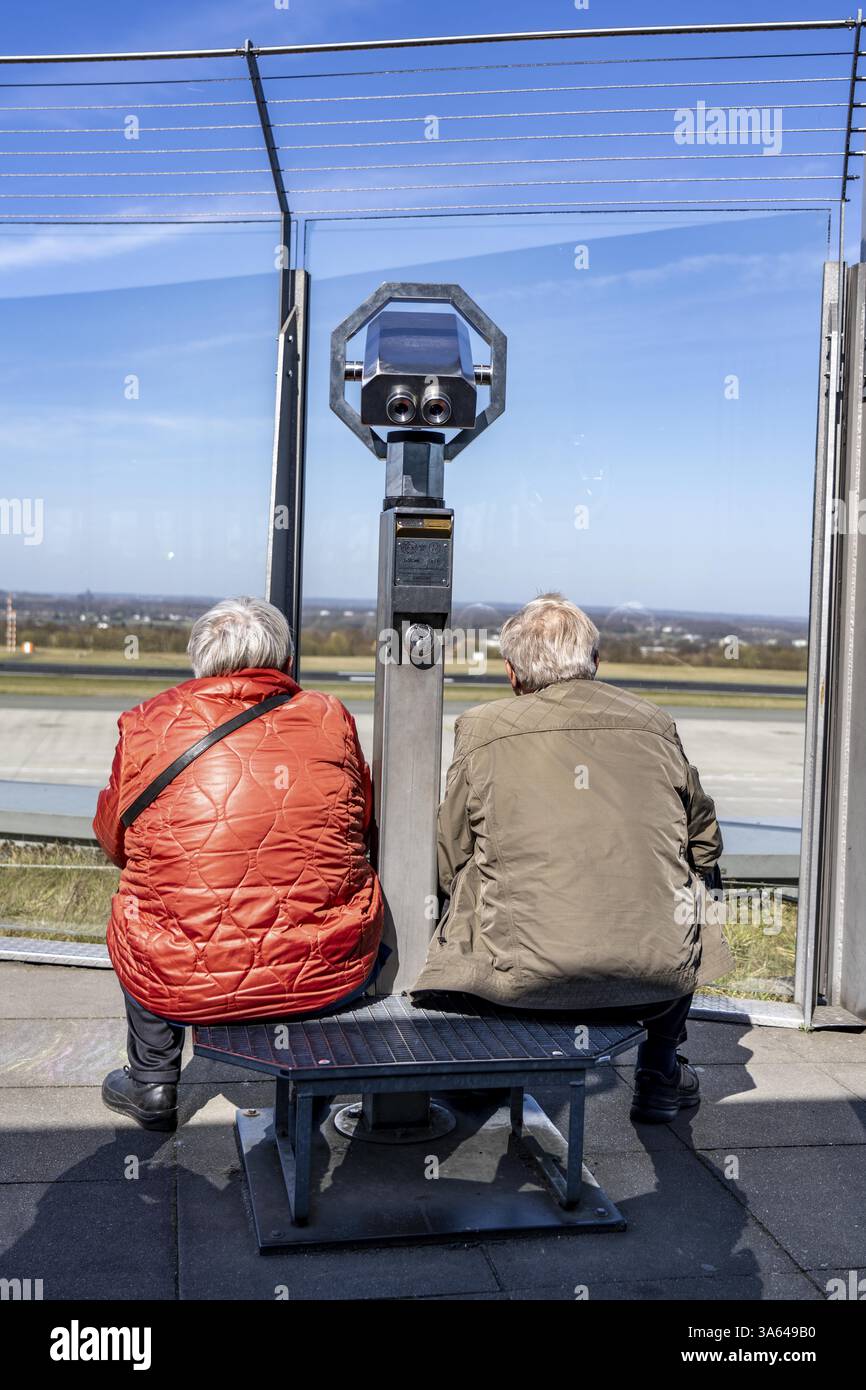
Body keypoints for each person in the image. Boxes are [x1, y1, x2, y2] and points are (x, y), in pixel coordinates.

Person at [412, 592, 732, 1124]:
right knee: (687, 882)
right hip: (654, 983)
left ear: (512, 674)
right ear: (595, 665)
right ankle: (659, 1066)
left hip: (520, 984)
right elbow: (706, 843)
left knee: (475, 873)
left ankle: (483, 1067)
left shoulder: (481, 728)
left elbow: (449, 855)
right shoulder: (653, 722)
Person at [94, 596, 384, 1132]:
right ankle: (311, 1081)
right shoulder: (330, 716)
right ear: (283, 658)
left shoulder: (147, 724)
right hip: (320, 963)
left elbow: (114, 839)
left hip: (184, 970)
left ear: (200, 657)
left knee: (138, 910)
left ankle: (153, 1082)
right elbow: (363, 823)